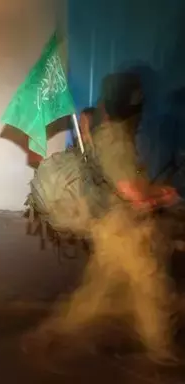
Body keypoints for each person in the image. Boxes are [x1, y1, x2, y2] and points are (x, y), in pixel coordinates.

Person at [24, 71, 181, 365]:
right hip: (121, 227)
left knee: (97, 293)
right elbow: (132, 193)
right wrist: (164, 195)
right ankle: (161, 353)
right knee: (150, 284)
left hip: (108, 225)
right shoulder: (116, 139)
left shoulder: (100, 128)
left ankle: (50, 336)